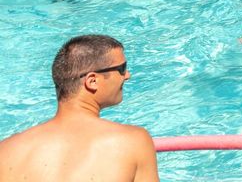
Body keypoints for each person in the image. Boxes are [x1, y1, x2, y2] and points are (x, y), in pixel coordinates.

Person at [0, 34, 158, 182]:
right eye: (121, 69)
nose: (127, 75)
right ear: (92, 81)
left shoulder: (7, 150)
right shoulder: (133, 140)